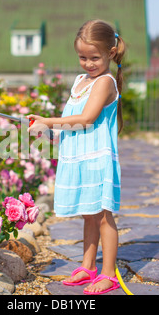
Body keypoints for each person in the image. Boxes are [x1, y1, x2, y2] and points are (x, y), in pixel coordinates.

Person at [27, 19, 125, 295]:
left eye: (95, 57)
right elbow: (72, 124)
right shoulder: (80, 81)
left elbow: (86, 118)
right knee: (89, 215)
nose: (88, 63)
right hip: (78, 156)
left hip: (96, 158)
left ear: (111, 53)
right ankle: (87, 266)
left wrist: (49, 119)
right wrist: (48, 132)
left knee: (104, 216)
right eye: (82, 57)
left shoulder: (105, 82)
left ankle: (108, 274)